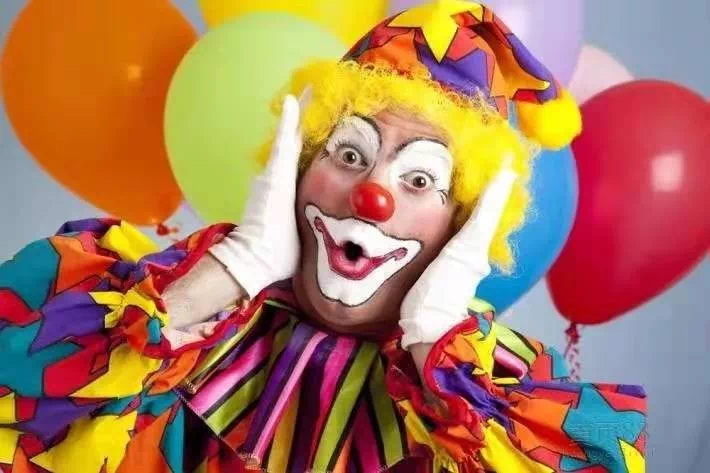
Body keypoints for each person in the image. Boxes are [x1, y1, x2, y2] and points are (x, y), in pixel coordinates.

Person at [0, 2, 646, 472]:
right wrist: (224, 276)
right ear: (299, 166)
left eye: (420, 179)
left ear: (464, 222)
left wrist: (433, 342)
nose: (373, 195)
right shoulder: (139, 302)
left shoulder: (511, 397)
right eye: (349, 153)